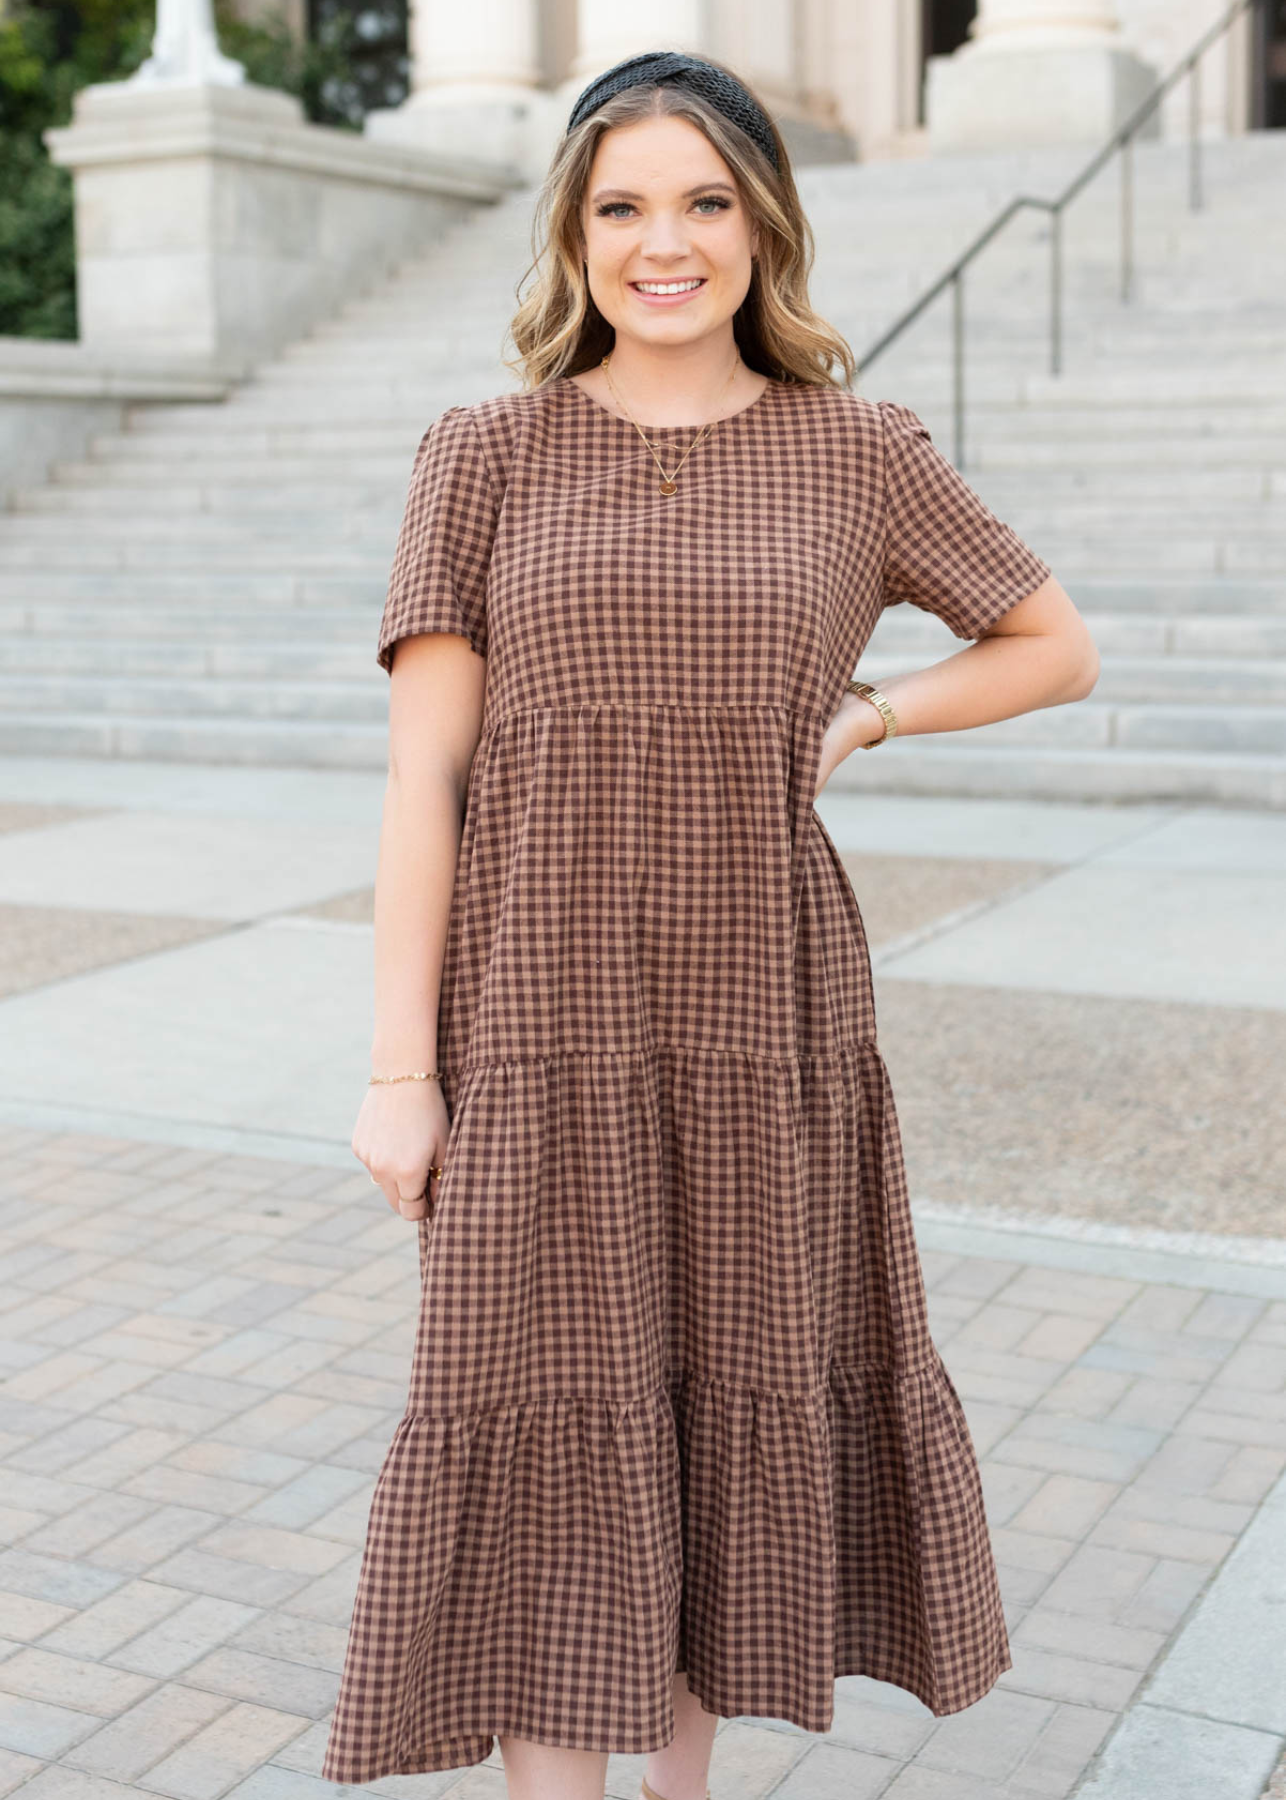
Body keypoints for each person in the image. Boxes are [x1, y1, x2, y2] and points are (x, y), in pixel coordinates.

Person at [320, 47, 1099, 1800]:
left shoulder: (859, 450)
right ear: (571, 232)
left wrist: (876, 711)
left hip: (769, 1029)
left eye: (701, 203)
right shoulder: (486, 452)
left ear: (760, 225)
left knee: (704, 1434)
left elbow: (1054, 643)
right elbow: (419, 782)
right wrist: (397, 1069)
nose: (660, 243)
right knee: (549, 1455)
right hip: (528, 1032)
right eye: (619, 206)